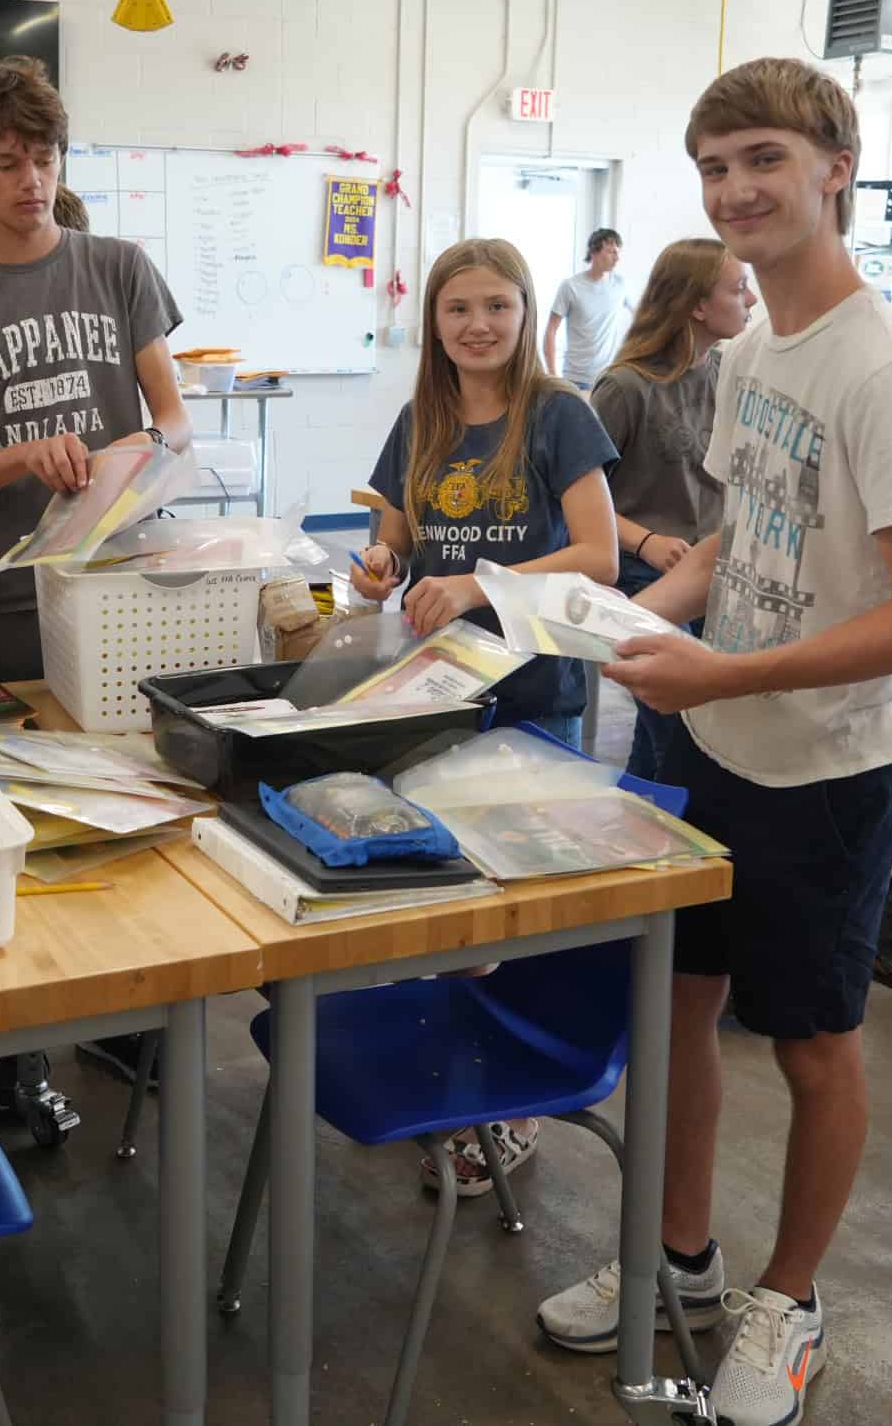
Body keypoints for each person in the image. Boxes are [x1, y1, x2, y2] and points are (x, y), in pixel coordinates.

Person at [534, 58, 892, 1426]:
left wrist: (727, 666)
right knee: (681, 1004)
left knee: (815, 1040)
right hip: (711, 742)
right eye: (715, 165)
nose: (737, 190)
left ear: (836, 165)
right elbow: (740, 536)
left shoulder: (884, 367)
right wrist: (617, 615)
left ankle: (790, 1295)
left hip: (828, 768)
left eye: (764, 157)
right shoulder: (749, 353)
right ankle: (677, 1252)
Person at [350, 236, 619, 1194]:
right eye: (458, 308)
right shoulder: (421, 414)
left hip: (535, 697)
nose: (478, 325)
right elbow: (392, 536)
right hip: (436, 691)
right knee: (454, 896)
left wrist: (477, 584)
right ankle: (452, 1076)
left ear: (525, 312)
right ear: (434, 320)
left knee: (520, 904)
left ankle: (510, 1108)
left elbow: (599, 555)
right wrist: (382, 566)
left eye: (498, 306)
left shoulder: (559, 413)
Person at [0, 56, 191, 684]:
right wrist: (26, 455)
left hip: (120, 573)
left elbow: (175, 419)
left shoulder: (121, 269)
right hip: (9, 590)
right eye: (6, 164)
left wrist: (151, 441)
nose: (32, 180)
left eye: (46, 159)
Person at [588, 237, 755, 780]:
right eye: (737, 288)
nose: (751, 299)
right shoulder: (625, 387)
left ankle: (642, 822)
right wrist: (646, 541)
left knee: (676, 731)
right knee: (680, 728)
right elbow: (577, 506)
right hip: (645, 576)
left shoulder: (727, 375)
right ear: (697, 306)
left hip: (713, 576)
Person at [543, 227, 626, 390]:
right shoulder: (570, 286)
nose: (617, 258)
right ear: (594, 252)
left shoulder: (621, 285)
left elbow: (642, 316)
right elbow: (551, 330)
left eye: (618, 252)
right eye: (611, 252)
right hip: (575, 379)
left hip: (609, 378)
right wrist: (552, 375)